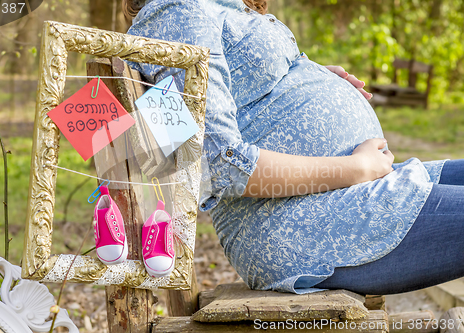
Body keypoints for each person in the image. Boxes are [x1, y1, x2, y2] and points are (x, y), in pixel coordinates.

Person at [124, 0, 464, 295]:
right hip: (298, 220)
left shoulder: (214, 7)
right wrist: (355, 168)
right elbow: (217, 165)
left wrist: (312, 78)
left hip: (340, 195)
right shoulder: (174, 14)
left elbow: (240, 90)